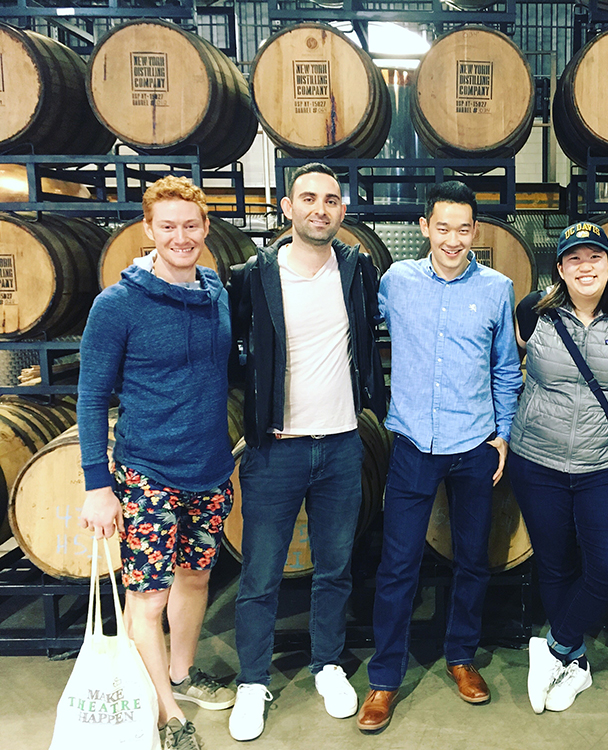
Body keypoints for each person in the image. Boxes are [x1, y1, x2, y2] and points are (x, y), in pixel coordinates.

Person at [226, 163, 386, 741]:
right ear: (286, 207)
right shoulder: (252, 275)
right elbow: (231, 354)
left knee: (335, 569)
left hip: (342, 445)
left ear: (343, 211)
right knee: (260, 575)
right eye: (309, 198)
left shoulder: (357, 269)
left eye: (332, 200)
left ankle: (327, 666)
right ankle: (251, 681)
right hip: (277, 452)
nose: (321, 207)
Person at [357, 181, 522, 732]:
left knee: (473, 559)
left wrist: (503, 435)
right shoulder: (395, 282)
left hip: (474, 445)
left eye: (464, 228)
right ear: (425, 228)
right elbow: (354, 331)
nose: (453, 238)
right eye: (443, 227)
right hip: (412, 446)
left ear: (476, 231)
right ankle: (384, 680)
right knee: (397, 565)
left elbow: (505, 368)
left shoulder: (497, 288)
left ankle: (461, 657)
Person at [78, 176, 236, 750]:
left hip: (211, 471)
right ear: (148, 230)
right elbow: (92, 398)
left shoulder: (214, 290)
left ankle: (181, 673)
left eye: (190, 225)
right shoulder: (117, 304)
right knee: (147, 595)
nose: (180, 236)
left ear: (205, 227)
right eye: (167, 226)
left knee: (195, 578)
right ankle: (167, 714)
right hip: (147, 474)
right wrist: (98, 486)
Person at [508, 221, 608, 713]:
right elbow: (508, 370)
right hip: (537, 460)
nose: (585, 267)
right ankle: (575, 663)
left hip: (600, 463)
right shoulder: (534, 310)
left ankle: (549, 647)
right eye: (574, 259)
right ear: (560, 268)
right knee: (553, 563)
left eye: (594, 257)